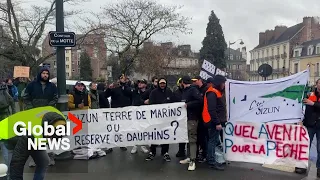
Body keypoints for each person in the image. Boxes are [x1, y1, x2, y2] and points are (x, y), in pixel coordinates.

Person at [0, 109, 66, 180]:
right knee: (11, 169)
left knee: (44, 161)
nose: (49, 140)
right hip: (8, 135)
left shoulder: (60, 120)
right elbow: (17, 162)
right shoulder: (32, 133)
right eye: (49, 137)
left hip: (30, 134)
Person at [23, 67, 58, 167]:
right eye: (43, 73)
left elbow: (55, 98)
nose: (45, 75)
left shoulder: (52, 86)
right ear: (40, 74)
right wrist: (32, 109)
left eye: (47, 73)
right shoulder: (31, 85)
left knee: (49, 136)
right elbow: (26, 97)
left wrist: (48, 107)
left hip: (47, 114)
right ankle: (34, 159)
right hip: (35, 115)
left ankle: (50, 156)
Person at [145, 78, 174, 162]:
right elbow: (151, 104)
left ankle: (165, 152)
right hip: (156, 119)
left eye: (164, 83)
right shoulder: (153, 92)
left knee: (165, 134)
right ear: (158, 84)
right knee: (154, 134)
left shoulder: (169, 92)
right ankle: (152, 152)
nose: (162, 85)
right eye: (161, 83)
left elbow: (173, 102)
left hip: (166, 119)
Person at [295, 78, 320, 176]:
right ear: (316, 84)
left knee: (319, 149)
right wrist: (300, 120)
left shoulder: (311, 98)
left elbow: (312, 105)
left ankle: (319, 169)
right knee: (305, 146)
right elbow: (302, 107)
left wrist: (313, 104)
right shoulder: (310, 95)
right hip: (310, 124)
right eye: (319, 83)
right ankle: (302, 166)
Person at [179, 76, 203, 171]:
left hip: (192, 118)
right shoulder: (186, 91)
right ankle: (189, 157)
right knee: (188, 138)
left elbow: (199, 101)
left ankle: (193, 160)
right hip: (186, 117)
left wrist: (188, 105)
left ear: (183, 82)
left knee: (192, 139)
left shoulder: (192, 90)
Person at [203, 75, 226, 171]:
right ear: (219, 83)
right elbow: (212, 110)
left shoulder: (215, 92)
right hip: (212, 121)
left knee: (214, 141)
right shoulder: (212, 93)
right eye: (223, 83)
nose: (224, 85)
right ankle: (212, 161)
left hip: (213, 120)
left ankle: (213, 159)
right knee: (212, 141)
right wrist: (217, 123)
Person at [105, 74, 132, 151]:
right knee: (113, 129)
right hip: (115, 111)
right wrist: (109, 89)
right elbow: (106, 95)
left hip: (124, 112)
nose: (123, 79)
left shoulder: (128, 88)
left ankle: (121, 144)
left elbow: (130, 96)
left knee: (122, 129)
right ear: (119, 79)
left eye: (124, 78)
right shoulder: (114, 88)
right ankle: (110, 145)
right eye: (121, 78)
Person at [0, 84, 16, 179]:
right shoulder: (3, 89)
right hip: (5, 119)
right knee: (5, 146)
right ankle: (9, 173)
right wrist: (13, 114)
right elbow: (12, 102)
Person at [192, 76, 209, 162]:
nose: (194, 82)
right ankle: (199, 153)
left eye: (195, 81)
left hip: (204, 117)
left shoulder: (205, 89)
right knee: (198, 136)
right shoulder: (195, 89)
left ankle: (205, 154)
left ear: (200, 80)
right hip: (198, 116)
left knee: (203, 137)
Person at [130, 79, 149, 154]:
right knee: (136, 129)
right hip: (136, 113)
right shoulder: (135, 91)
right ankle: (135, 145)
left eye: (142, 83)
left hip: (145, 113)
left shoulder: (148, 92)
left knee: (144, 130)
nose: (140, 84)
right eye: (139, 83)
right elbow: (136, 100)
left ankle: (143, 145)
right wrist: (144, 102)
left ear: (145, 84)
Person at [174, 78, 187, 158]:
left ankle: (188, 151)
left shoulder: (189, 91)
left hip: (188, 115)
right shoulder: (176, 93)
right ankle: (181, 150)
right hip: (179, 116)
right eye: (180, 83)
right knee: (181, 134)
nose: (182, 84)